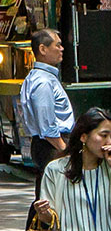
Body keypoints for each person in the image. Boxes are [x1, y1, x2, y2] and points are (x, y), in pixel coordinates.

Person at [20, 27, 74, 169]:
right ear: (43, 49)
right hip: (52, 146)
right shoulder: (43, 82)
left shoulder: (39, 78)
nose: (62, 49)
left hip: (50, 144)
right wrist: (64, 149)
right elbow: (46, 125)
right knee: (54, 188)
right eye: (57, 45)